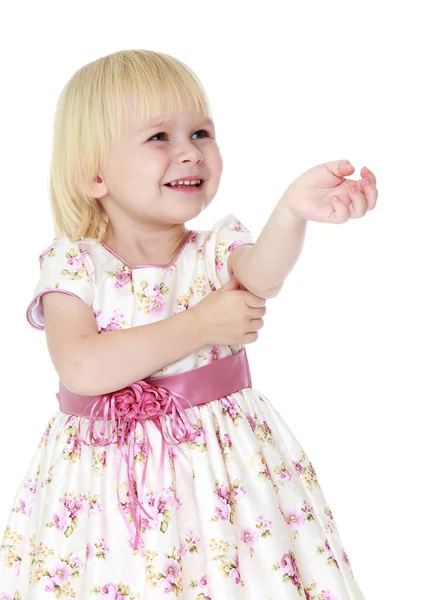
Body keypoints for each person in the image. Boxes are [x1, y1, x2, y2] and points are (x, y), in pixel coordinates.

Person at [0, 49, 377, 599]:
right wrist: (202, 324)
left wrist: (292, 211)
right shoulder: (75, 263)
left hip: (223, 469)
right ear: (95, 173)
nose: (190, 153)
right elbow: (81, 365)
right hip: (105, 485)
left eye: (201, 132)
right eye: (160, 138)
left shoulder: (216, 247)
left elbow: (263, 275)